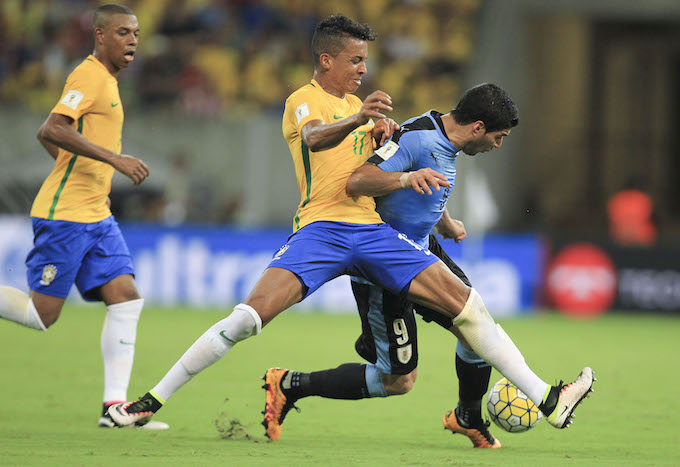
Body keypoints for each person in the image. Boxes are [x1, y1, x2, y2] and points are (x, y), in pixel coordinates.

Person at [106, 15, 594, 440]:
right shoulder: (306, 100)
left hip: (374, 232)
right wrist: (361, 120)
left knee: (470, 308)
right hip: (320, 229)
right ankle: (146, 403)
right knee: (247, 319)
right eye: (356, 60)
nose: (363, 69)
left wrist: (384, 141)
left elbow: (379, 173)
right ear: (326, 61)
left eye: (365, 61)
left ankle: (549, 401)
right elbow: (316, 140)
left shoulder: (370, 115)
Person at [261, 83, 519, 449]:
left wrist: (443, 220)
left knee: (476, 328)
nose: (499, 144)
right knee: (399, 381)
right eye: (500, 136)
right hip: (384, 261)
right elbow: (364, 180)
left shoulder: (442, 138)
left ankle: (468, 415)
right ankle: (290, 384)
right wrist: (405, 180)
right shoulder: (418, 136)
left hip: (422, 250)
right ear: (478, 127)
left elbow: (422, 176)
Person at [0, 3, 167, 430]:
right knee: (43, 316)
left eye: (136, 33)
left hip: (96, 213)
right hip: (67, 216)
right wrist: (114, 160)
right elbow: (55, 127)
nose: (133, 40)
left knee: (126, 298)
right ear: (100, 34)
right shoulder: (89, 75)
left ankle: (116, 409)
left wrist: (88, 175)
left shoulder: (106, 81)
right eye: (123, 33)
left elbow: (45, 134)